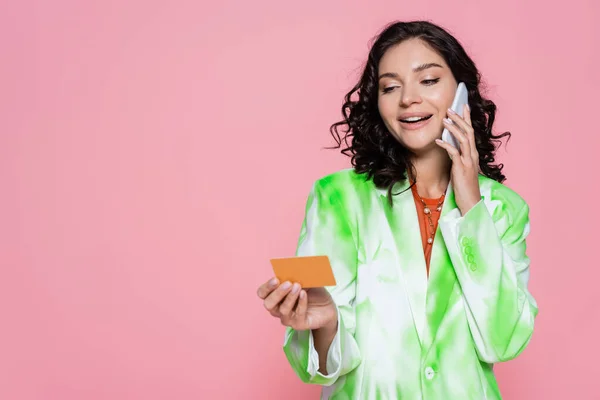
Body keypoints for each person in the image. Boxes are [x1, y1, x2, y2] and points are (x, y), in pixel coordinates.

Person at [256, 20, 538, 399]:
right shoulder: (337, 198)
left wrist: (471, 204)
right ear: (378, 103)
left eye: (428, 80)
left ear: (461, 93)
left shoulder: (505, 210)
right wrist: (327, 324)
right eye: (390, 87)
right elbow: (324, 364)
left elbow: (503, 341)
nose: (408, 99)